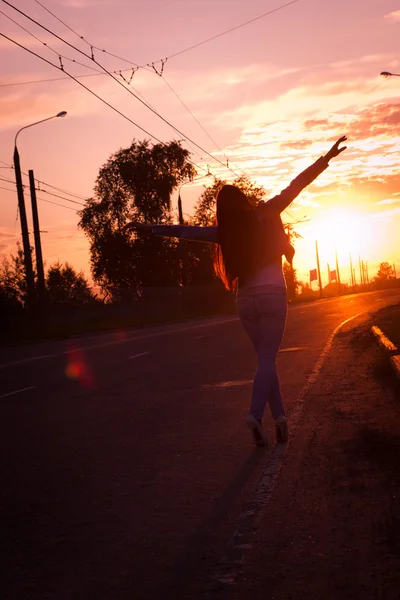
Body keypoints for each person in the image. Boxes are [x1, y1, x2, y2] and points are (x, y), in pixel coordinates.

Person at [123, 136, 347, 447]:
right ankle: (255, 415)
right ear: (243, 200)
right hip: (272, 296)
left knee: (264, 362)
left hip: (245, 301)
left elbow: (184, 231)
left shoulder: (223, 232)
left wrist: (150, 228)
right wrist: (326, 159)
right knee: (268, 361)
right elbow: (296, 186)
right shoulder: (265, 212)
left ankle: (280, 419)